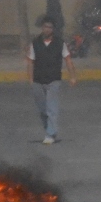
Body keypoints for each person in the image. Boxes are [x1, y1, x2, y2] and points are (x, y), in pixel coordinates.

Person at [27, 15, 77, 145]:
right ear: (42, 28)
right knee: (42, 110)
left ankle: (50, 133)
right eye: (45, 27)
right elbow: (30, 62)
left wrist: (72, 76)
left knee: (51, 108)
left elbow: (68, 60)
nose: (47, 29)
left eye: (50, 27)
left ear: (53, 29)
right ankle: (49, 130)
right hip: (38, 80)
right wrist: (31, 79)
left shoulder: (60, 43)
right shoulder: (35, 43)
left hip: (54, 79)